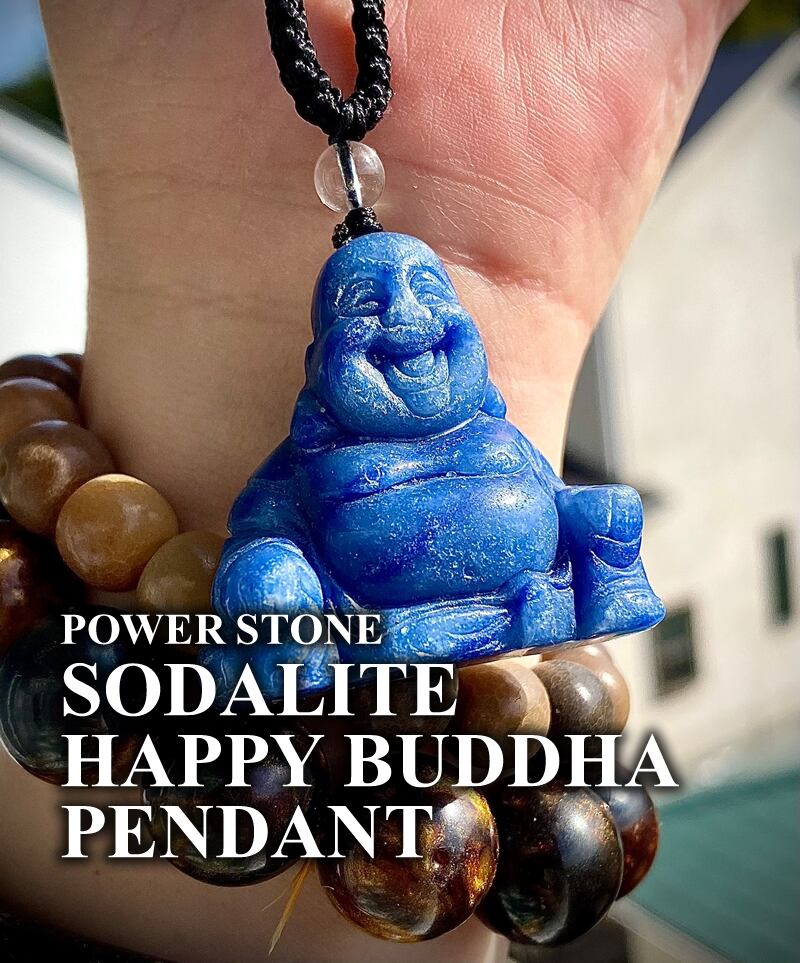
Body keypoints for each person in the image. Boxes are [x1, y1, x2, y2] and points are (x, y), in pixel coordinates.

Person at [0, 1, 745, 961]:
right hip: (361, 619)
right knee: (263, 575)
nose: (407, 316)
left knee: (608, 508)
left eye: (430, 292)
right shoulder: (317, 451)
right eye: (371, 302)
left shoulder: (495, 431)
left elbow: (558, 503)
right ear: (321, 357)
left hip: (518, 601)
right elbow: (264, 527)